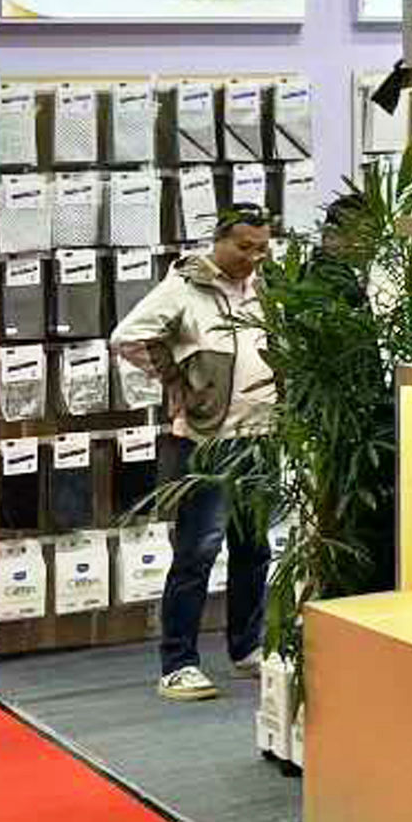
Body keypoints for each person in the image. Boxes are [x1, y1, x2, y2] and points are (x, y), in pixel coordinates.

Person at [113, 208, 278, 701]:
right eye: (244, 247)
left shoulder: (265, 288)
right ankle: (178, 663)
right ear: (218, 241)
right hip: (208, 442)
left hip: (262, 436)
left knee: (254, 549)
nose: (253, 258)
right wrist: (177, 380)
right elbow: (127, 337)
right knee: (197, 552)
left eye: (261, 248)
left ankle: (246, 648)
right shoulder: (184, 288)